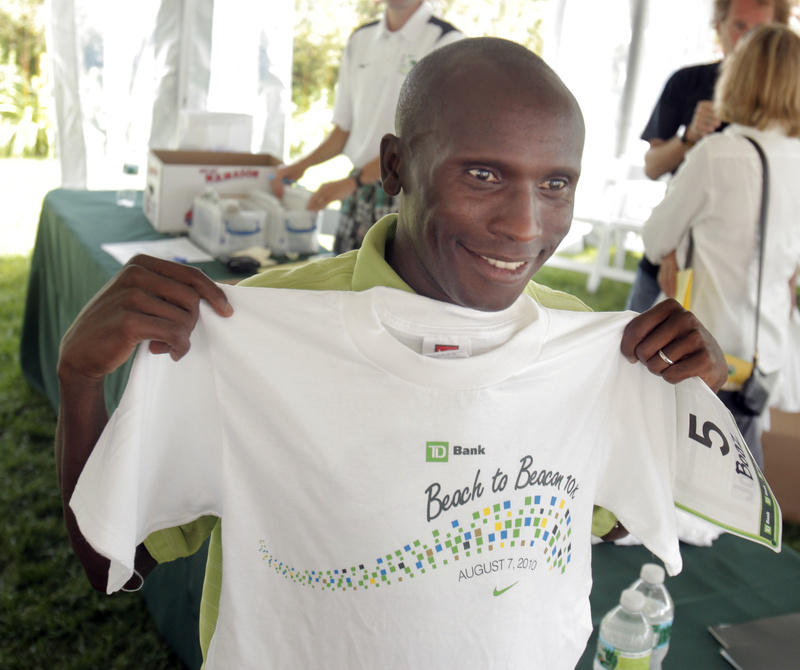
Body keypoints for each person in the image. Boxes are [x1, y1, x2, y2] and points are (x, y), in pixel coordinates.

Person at [57, 38, 728, 668]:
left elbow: (608, 517)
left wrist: (684, 405)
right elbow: (112, 559)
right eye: (485, 174)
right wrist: (81, 378)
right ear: (396, 166)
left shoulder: (582, 339)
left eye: (556, 185)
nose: (525, 224)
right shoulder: (253, 333)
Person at [642, 24, 800, 469]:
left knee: (679, 483)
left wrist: (673, 250)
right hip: (761, 354)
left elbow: (656, 239)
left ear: (739, 76)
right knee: (739, 486)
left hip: (700, 350)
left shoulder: (717, 154)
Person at [626, 0, 791, 313]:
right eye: (739, 26)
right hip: (669, 264)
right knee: (630, 350)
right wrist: (689, 137)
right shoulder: (687, 82)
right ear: (719, 27)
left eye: (759, 32)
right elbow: (652, 167)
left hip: (748, 279)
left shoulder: (784, 113)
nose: (746, 41)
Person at [272, 0, 463, 254]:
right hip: (358, 191)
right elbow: (344, 130)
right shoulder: (360, 40)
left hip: (407, 191)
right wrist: (299, 166)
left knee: (393, 288)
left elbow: (429, 138)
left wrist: (354, 181)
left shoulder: (445, 41)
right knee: (346, 283)